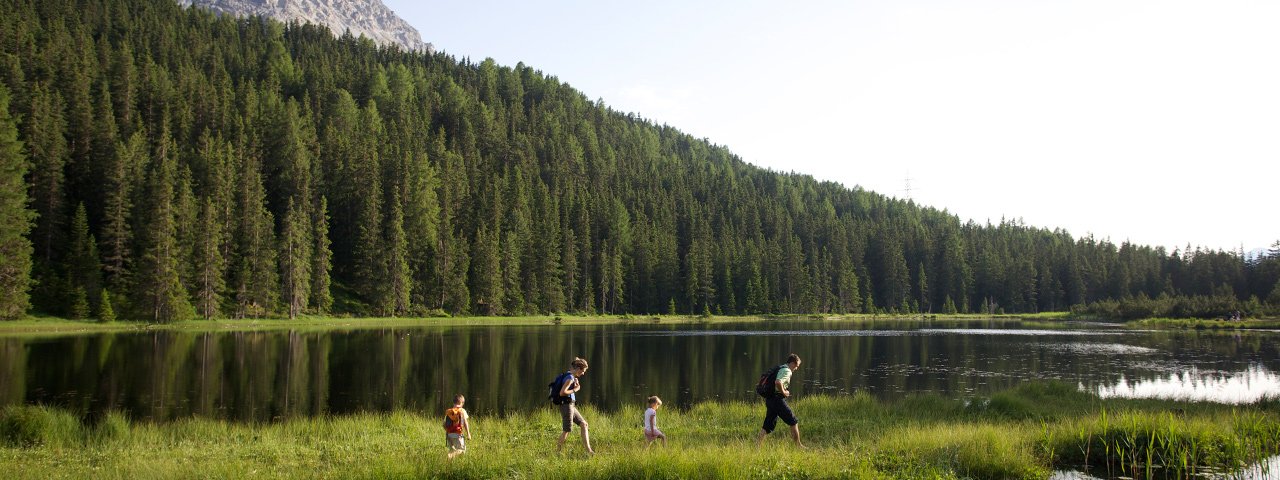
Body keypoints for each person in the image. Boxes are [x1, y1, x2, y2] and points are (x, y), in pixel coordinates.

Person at [756, 353, 805, 448]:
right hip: (777, 400)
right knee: (793, 421)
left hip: (769, 399)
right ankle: (798, 446)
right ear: (793, 363)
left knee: (767, 425)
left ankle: (757, 446)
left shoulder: (780, 368)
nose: (796, 368)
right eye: (797, 366)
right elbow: (778, 382)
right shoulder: (787, 371)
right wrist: (784, 392)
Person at [553, 357, 595, 454]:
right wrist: (575, 389)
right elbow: (562, 393)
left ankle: (589, 451)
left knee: (584, 424)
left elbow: (571, 374)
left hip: (571, 405)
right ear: (579, 369)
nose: (583, 373)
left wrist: (575, 381)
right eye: (583, 371)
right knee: (566, 430)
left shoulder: (570, 374)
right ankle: (557, 452)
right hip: (566, 406)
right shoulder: (570, 378)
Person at [444, 394, 472, 459]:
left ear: (453, 402)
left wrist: (448, 432)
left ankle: (449, 464)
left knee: (452, 450)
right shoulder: (462, 410)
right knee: (462, 450)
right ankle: (449, 456)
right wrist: (468, 434)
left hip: (449, 435)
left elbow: (444, 424)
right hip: (458, 434)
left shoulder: (449, 412)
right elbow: (465, 422)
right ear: (461, 403)